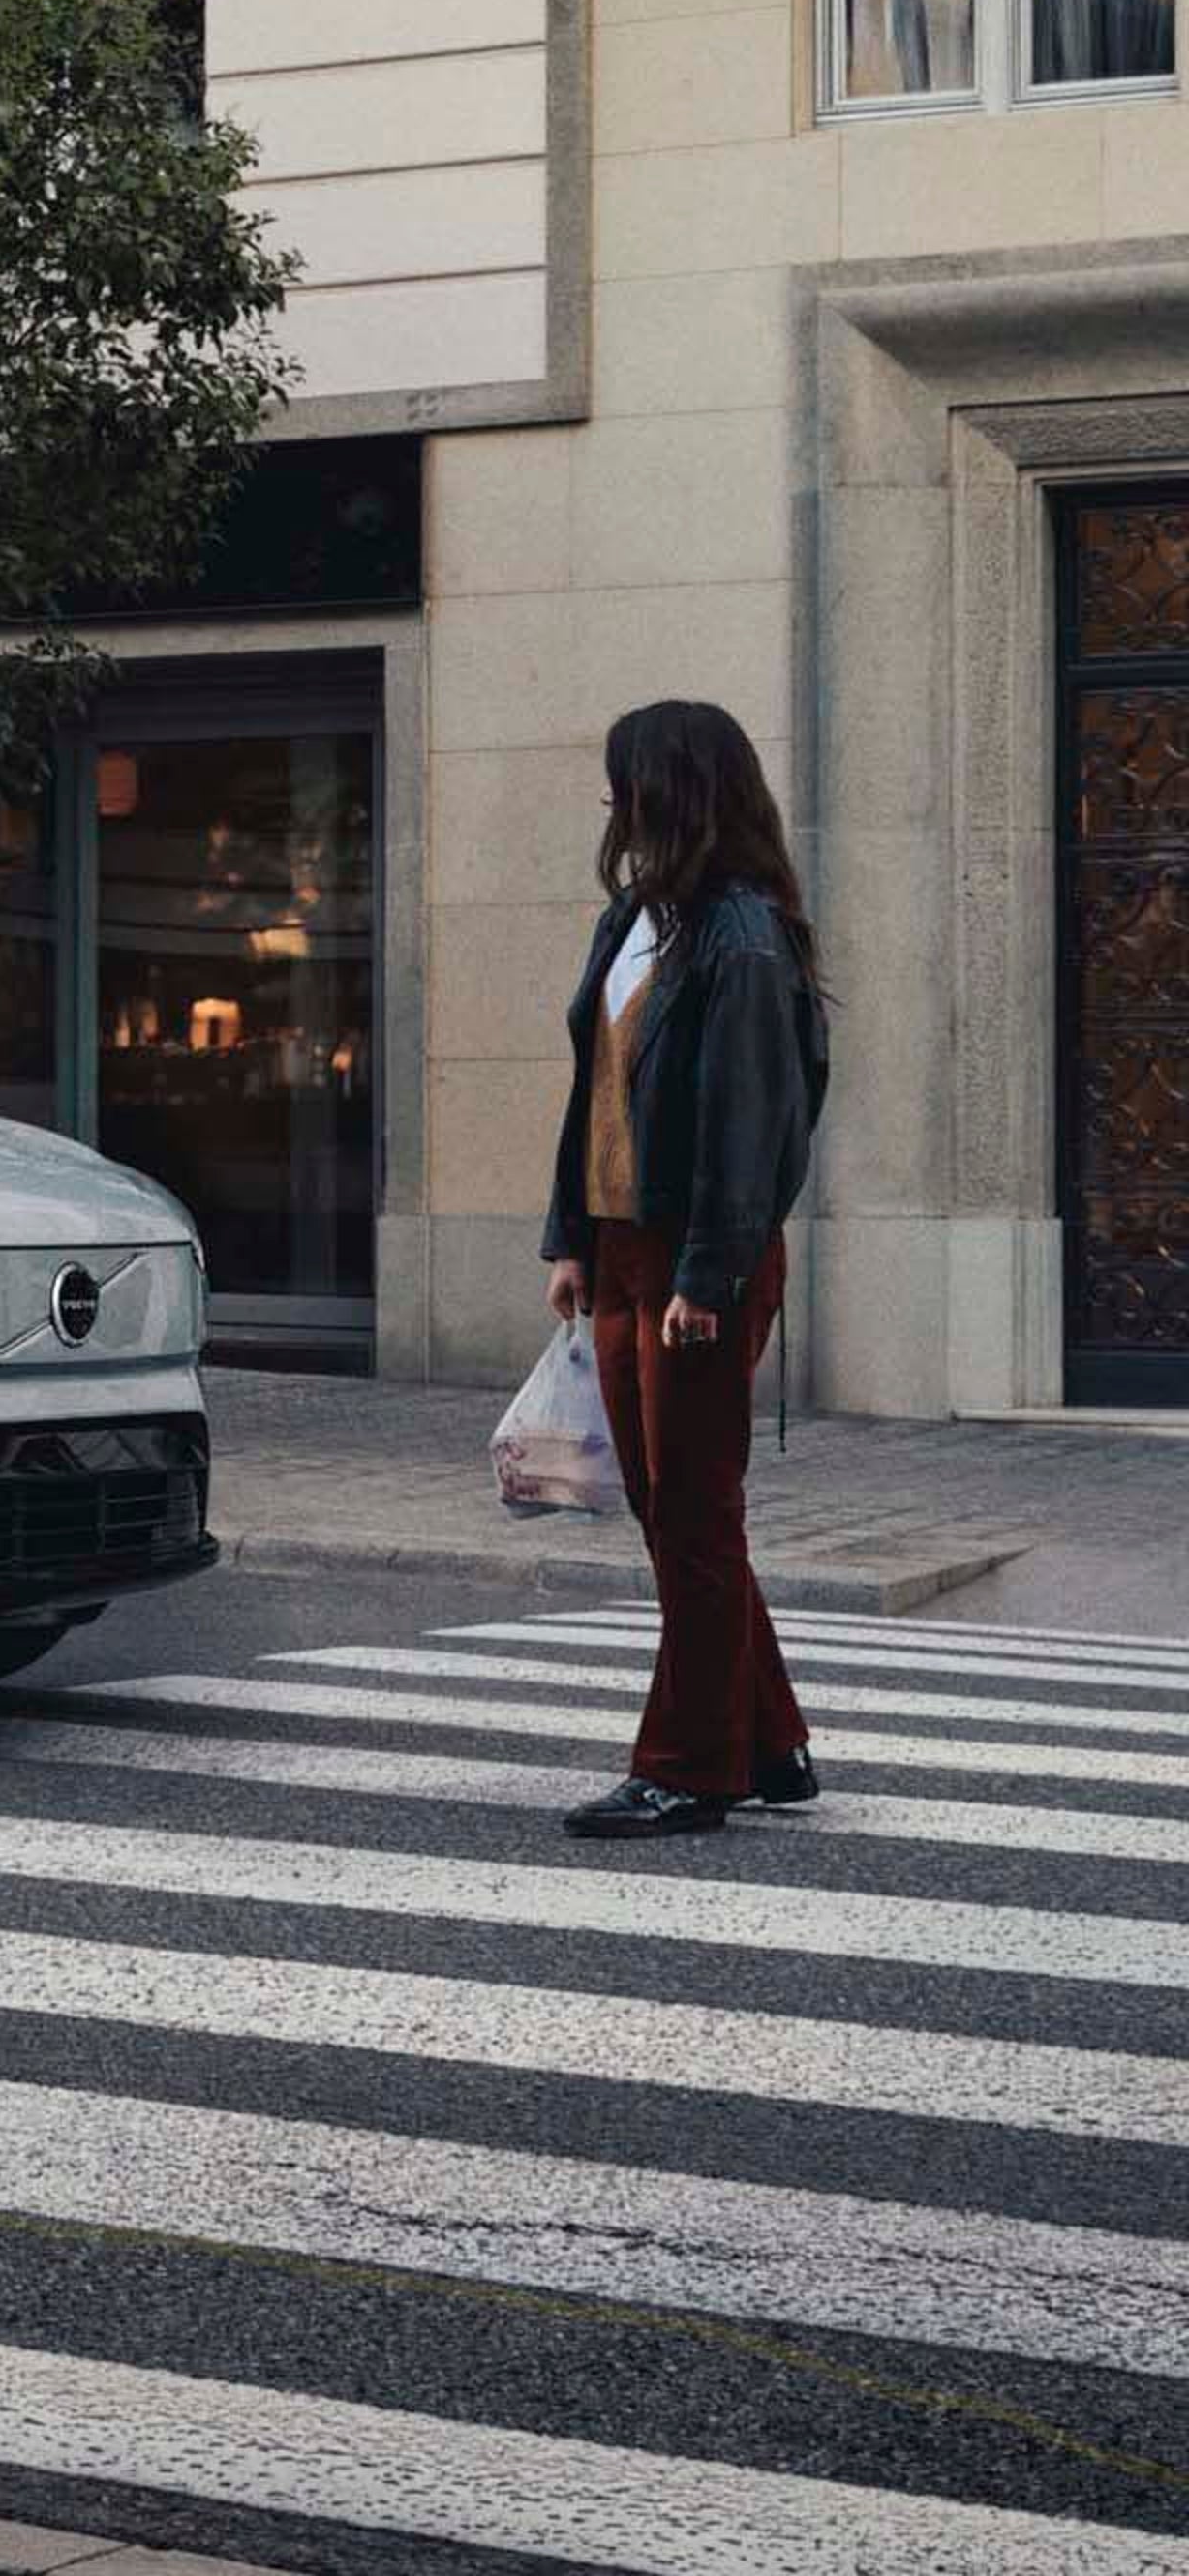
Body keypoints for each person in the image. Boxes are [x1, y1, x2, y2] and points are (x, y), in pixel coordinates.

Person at [538, 700, 833, 1839]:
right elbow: (593, 1092)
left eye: (625, 779)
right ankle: (770, 1741)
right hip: (622, 1248)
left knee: (698, 1512)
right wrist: (574, 1237)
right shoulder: (633, 920)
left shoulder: (743, 934)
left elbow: (751, 1124)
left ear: (672, 789)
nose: (610, 801)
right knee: (670, 1513)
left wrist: (708, 1277)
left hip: (699, 1256)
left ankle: (689, 1769)